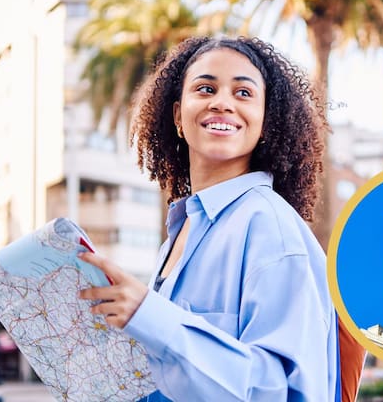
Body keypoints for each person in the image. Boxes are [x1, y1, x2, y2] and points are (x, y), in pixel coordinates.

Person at [79, 35, 358, 401]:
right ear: (179, 116)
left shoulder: (268, 225)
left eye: (243, 93)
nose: (222, 103)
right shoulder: (180, 233)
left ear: (265, 121)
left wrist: (148, 314)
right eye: (205, 88)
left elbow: (275, 388)